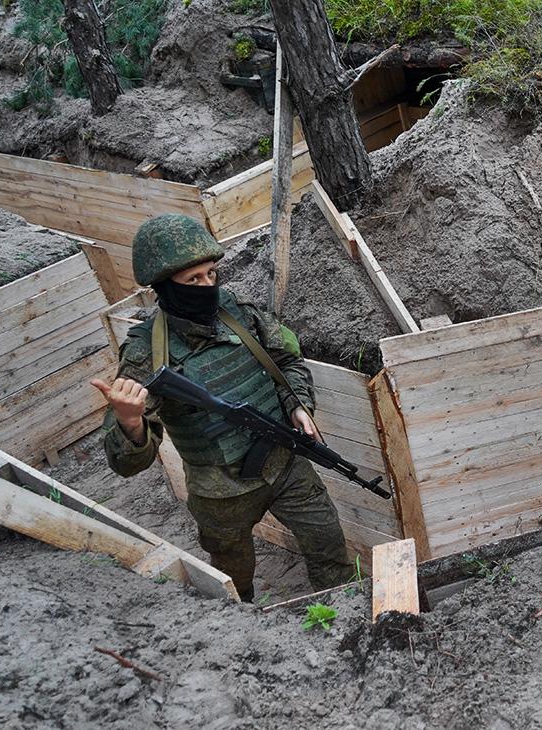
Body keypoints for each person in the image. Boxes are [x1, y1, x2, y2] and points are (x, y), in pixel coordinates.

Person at [91, 214, 356, 601]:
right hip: (221, 493)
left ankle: (347, 611)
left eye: (211, 274)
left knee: (329, 546)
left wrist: (298, 405)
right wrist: (130, 423)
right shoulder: (147, 350)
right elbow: (126, 464)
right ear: (164, 287)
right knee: (233, 580)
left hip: (285, 464)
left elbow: (288, 360)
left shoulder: (239, 313)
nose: (207, 286)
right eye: (193, 280)